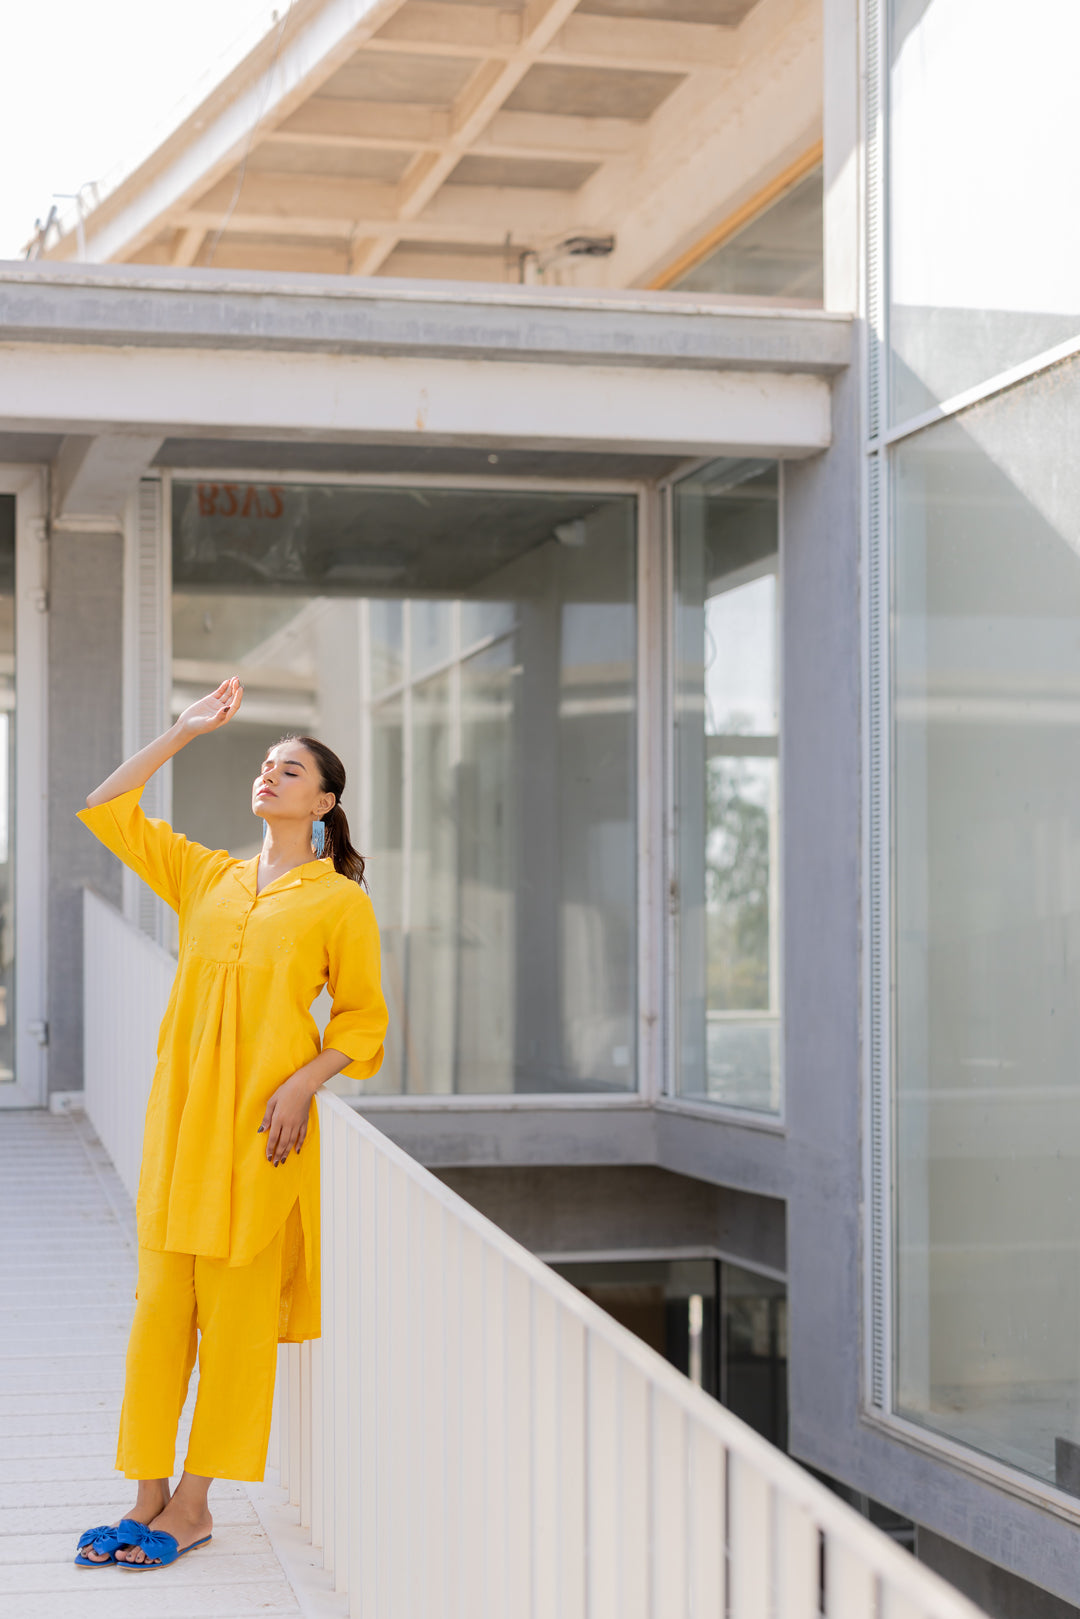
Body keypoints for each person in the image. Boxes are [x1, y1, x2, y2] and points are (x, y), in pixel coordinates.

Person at [72, 677, 388, 1571]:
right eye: (264, 765)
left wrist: (307, 1080)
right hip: (180, 1128)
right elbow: (107, 805)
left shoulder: (339, 902)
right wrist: (181, 729)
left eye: (290, 769)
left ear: (324, 802)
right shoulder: (208, 874)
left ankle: (196, 1503)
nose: (270, 775)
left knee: (239, 1323)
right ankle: (144, 1495)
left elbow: (363, 1021)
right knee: (160, 1312)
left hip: (263, 1133)